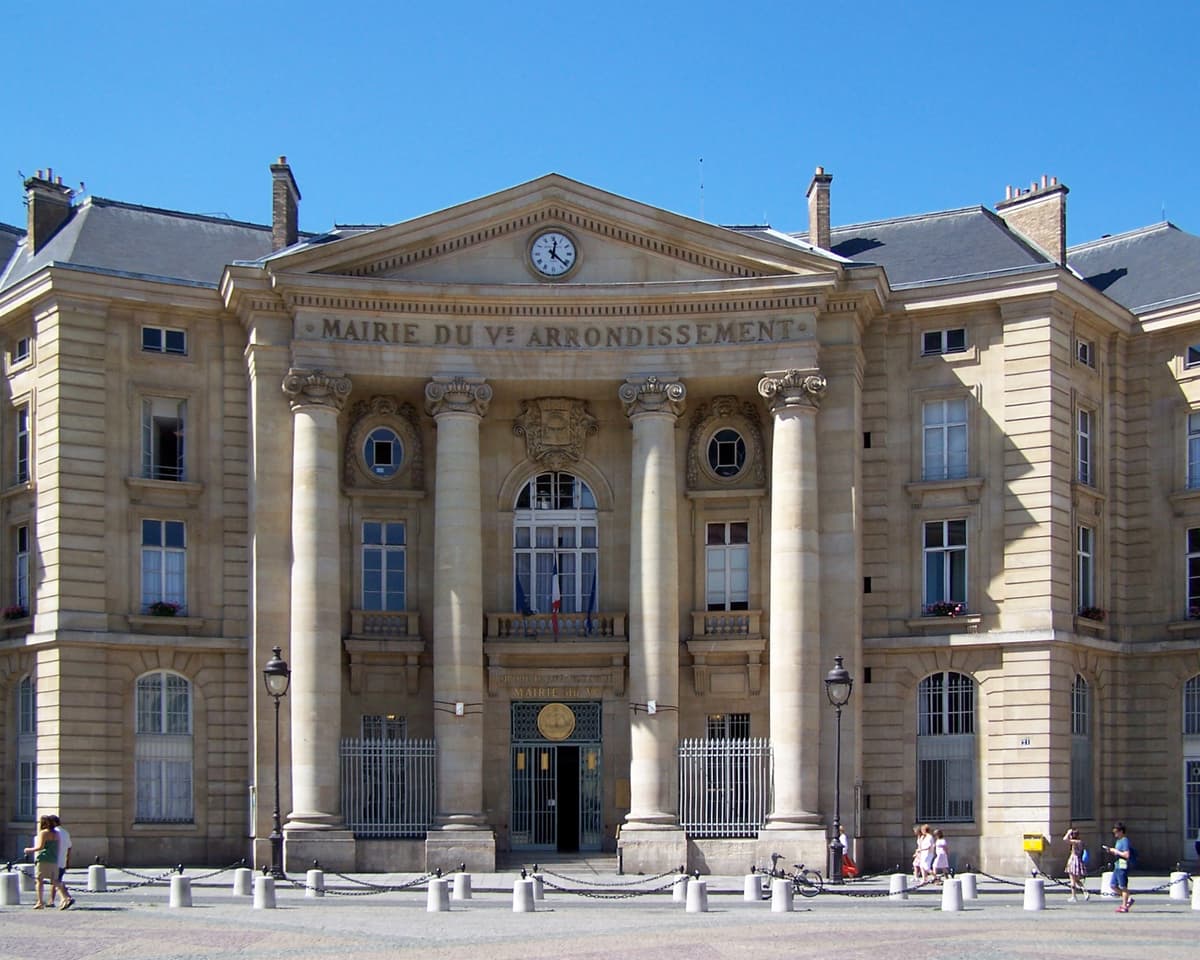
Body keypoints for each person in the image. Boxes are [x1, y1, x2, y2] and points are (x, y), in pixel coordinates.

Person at [23, 815, 69, 910]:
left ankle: (40, 902)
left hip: (44, 859)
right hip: (53, 859)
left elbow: (40, 847)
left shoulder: (43, 833)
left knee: (39, 880)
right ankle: (65, 897)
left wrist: (28, 850)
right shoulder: (57, 833)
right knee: (55, 880)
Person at [1103, 822, 1134, 912]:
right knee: (1113, 885)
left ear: (1121, 831)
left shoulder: (1125, 840)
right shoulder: (1118, 841)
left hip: (1122, 866)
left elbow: (1126, 855)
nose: (1115, 833)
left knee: (1123, 886)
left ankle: (1124, 906)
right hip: (1117, 865)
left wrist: (1116, 851)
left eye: (1116, 831)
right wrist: (1111, 851)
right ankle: (1128, 899)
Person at [48, 815, 74, 909]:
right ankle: (51, 900)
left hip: (54, 860)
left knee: (56, 881)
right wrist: (68, 860)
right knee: (56, 880)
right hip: (62, 860)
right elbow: (69, 847)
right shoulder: (65, 832)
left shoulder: (54, 833)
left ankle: (66, 898)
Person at [1064, 827, 1089, 902]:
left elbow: (1065, 839)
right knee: (1077, 880)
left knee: (1072, 880)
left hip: (1073, 860)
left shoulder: (1075, 842)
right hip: (1078, 860)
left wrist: (1068, 833)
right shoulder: (1081, 842)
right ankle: (1085, 892)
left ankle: (1073, 896)